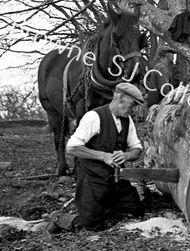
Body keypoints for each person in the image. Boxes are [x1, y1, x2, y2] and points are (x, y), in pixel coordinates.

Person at [46, 82, 146, 233]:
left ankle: (105, 209)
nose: (133, 110)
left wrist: (127, 155)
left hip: (117, 181)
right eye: (131, 105)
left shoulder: (127, 120)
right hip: (92, 180)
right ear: (119, 98)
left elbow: (137, 149)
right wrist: (103, 156)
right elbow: (72, 147)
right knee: (92, 226)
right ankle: (61, 219)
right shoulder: (94, 117)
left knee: (135, 212)